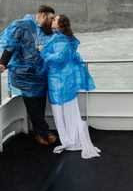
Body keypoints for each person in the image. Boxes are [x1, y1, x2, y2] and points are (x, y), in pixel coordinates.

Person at [0, 5, 57, 145]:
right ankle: (43, 132)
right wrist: (2, 62)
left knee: (40, 103)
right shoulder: (21, 25)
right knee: (33, 105)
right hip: (25, 75)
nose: (52, 22)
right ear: (41, 15)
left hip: (41, 74)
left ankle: (39, 132)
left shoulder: (46, 30)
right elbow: (10, 45)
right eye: (50, 18)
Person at [39, 15, 100, 158]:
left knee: (60, 110)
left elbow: (59, 58)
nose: (52, 20)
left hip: (58, 81)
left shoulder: (61, 39)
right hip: (65, 80)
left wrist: (43, 51)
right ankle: (71, 136)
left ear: (60, 24)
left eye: (55, 19)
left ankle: (69, 139)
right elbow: (73, 57)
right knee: (68, 109)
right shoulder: (65, 39)